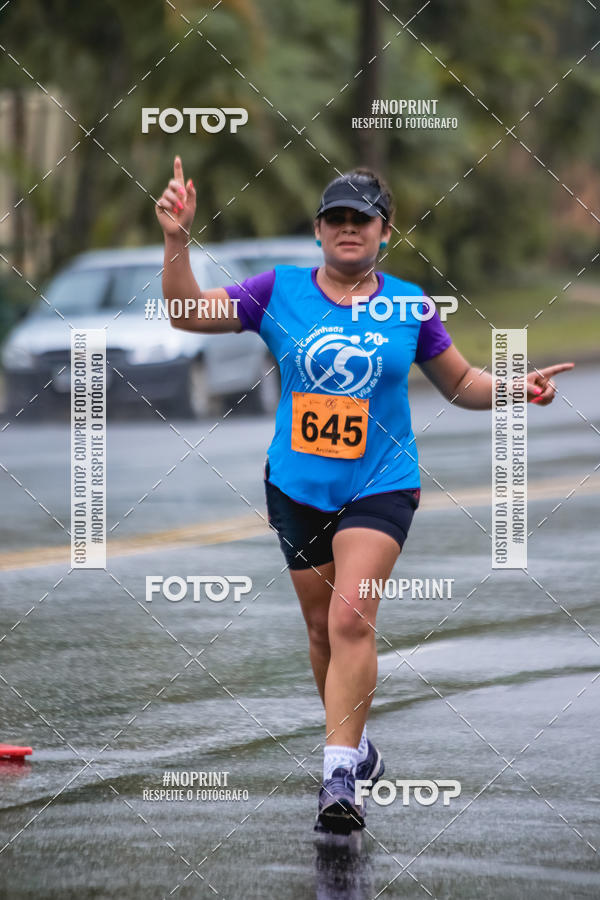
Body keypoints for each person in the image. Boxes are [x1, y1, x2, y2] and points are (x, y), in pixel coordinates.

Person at [155, 157, 574, 834]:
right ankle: (356, 743)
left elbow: (458, 382)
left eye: (363, 219)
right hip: (297, 486)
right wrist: (177, 241)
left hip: (382, 483)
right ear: (319, 230)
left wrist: (513, 388)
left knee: (351, 619)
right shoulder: (277, 291)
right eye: (337, 218)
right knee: (321, 629)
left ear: (385, 232)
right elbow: (186, 314)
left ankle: (338, 777)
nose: (349, 228)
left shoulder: (409, 304)